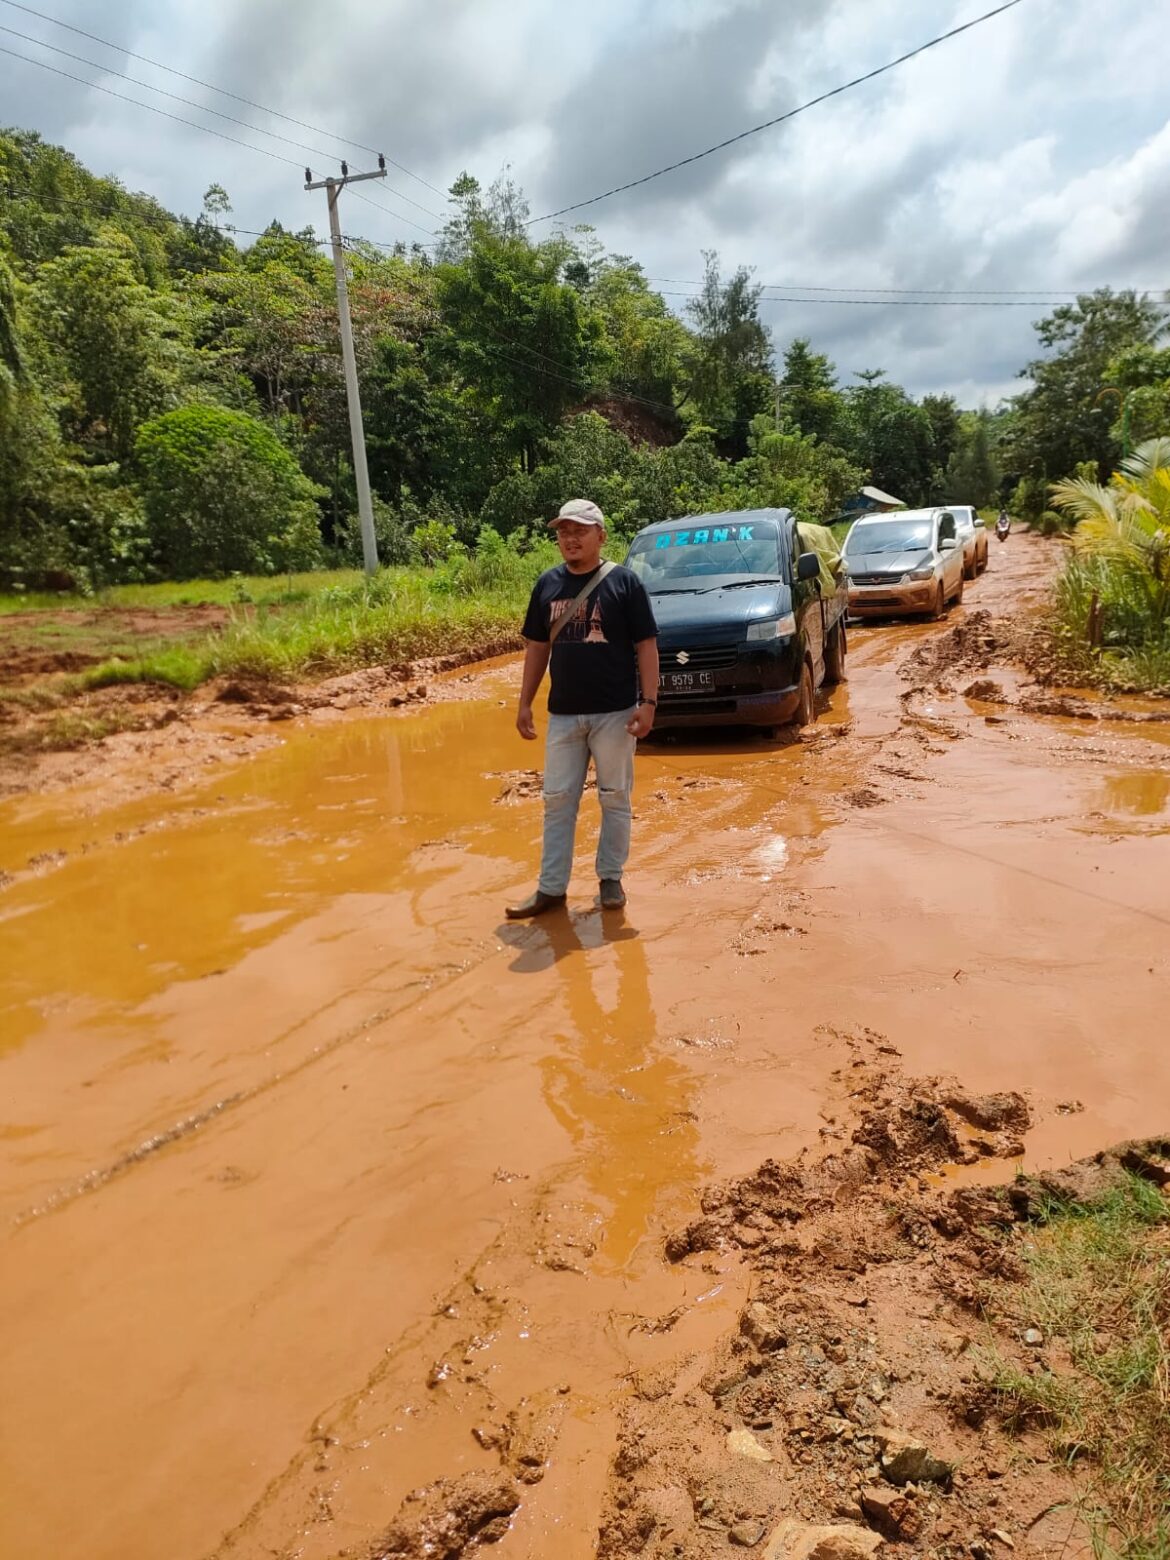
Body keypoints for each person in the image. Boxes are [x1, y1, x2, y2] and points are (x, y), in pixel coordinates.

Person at [506, 498, 659, 918]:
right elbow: (537, 647)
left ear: (600, 536)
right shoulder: (547, 585)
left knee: (614, 798)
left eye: (579, 531)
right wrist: (524, 703)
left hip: (614, 713)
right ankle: (551, 889)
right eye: (563, 532)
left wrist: (648, 703)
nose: (570, 539)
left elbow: (647, 645)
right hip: (564, 716)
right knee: (557, 801)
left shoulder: (624, 584)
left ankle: (610, 878)